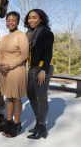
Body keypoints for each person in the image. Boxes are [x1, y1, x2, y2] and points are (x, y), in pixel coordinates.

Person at [0, 11, 29, 137]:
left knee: (16, 98)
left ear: (18, 22)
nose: (10, 23)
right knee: (8, 97)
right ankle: (9, 122)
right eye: (8, 20)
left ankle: (16, 124)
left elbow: (24, 55)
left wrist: (10, 65)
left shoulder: (22, 36)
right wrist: (0, 63)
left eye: (13, 20)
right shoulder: (4, 37)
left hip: (16, 71)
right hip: (4, 71)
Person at [25, 9, 54, 139]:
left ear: (41, 19)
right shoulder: (30, 33)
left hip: (42, 67)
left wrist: (43, 70)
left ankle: (42, 126)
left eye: (34, 17)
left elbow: (48, 53)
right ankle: (39, 122)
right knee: (31, 95)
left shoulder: (46, 33)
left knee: (41, 98)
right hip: (32, 67)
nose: (31, 20)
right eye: (29, 18)